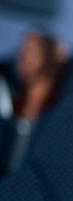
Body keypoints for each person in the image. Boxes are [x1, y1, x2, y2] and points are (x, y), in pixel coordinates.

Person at [3, 31, 69, 174]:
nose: (23, 57)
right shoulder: (13, 102)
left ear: (48, 56)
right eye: (22, 51)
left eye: (32, 51)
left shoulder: (58, 106)